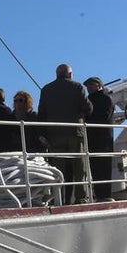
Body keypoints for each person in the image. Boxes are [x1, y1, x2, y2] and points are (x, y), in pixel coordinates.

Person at [38, 64, 93, 204]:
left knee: (58, 169)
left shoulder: (46, 90)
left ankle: (59, 199)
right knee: (79, 168)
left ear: (57, 74)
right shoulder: (77, 87)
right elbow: (88, 109)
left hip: (55, 135)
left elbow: (42, 114)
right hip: (75, 133)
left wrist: (43, 135)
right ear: (70, 74)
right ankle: (81, 198)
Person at [84, 77, 115, 201]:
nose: (89, 87)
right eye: (88, 86)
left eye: (92, 85)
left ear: (99, 85)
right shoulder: (88, 100)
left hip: (103, 138)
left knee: (104, 167)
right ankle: (99, 194)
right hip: (92, 137)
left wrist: (88, 122)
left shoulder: (106, 99)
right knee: (95, 167)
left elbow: (105, 118)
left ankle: (105, 195)